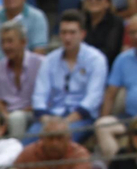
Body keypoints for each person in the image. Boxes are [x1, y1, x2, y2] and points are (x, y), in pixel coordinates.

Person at [31, 12, 106, 141]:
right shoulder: (49, 60)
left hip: (81, 118)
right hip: (52, 116)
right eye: (64, 32)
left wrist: (65, 122)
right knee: (28, 141)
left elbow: (93, 98)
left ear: (82, 34)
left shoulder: (96, 59)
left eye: (72, 33)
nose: (67, 37)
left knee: (61, 140)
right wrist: (48, 120)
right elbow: (39, 95)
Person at [0, 23, 43, 139]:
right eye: (3, 42)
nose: (6, 46)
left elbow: (45, 99)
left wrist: (15, 115)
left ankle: (16, 154)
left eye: (10, 41)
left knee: (16, 118)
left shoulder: (40, 64)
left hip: (35, 114)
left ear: (23, 42)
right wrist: (5, 116)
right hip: (8, 115)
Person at [80, 0, 124, 67]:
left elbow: (110, 51)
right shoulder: (80, 20)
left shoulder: (115, 22)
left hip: (106, 67)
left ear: (107, 3)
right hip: (80, 67)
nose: (93, 0)